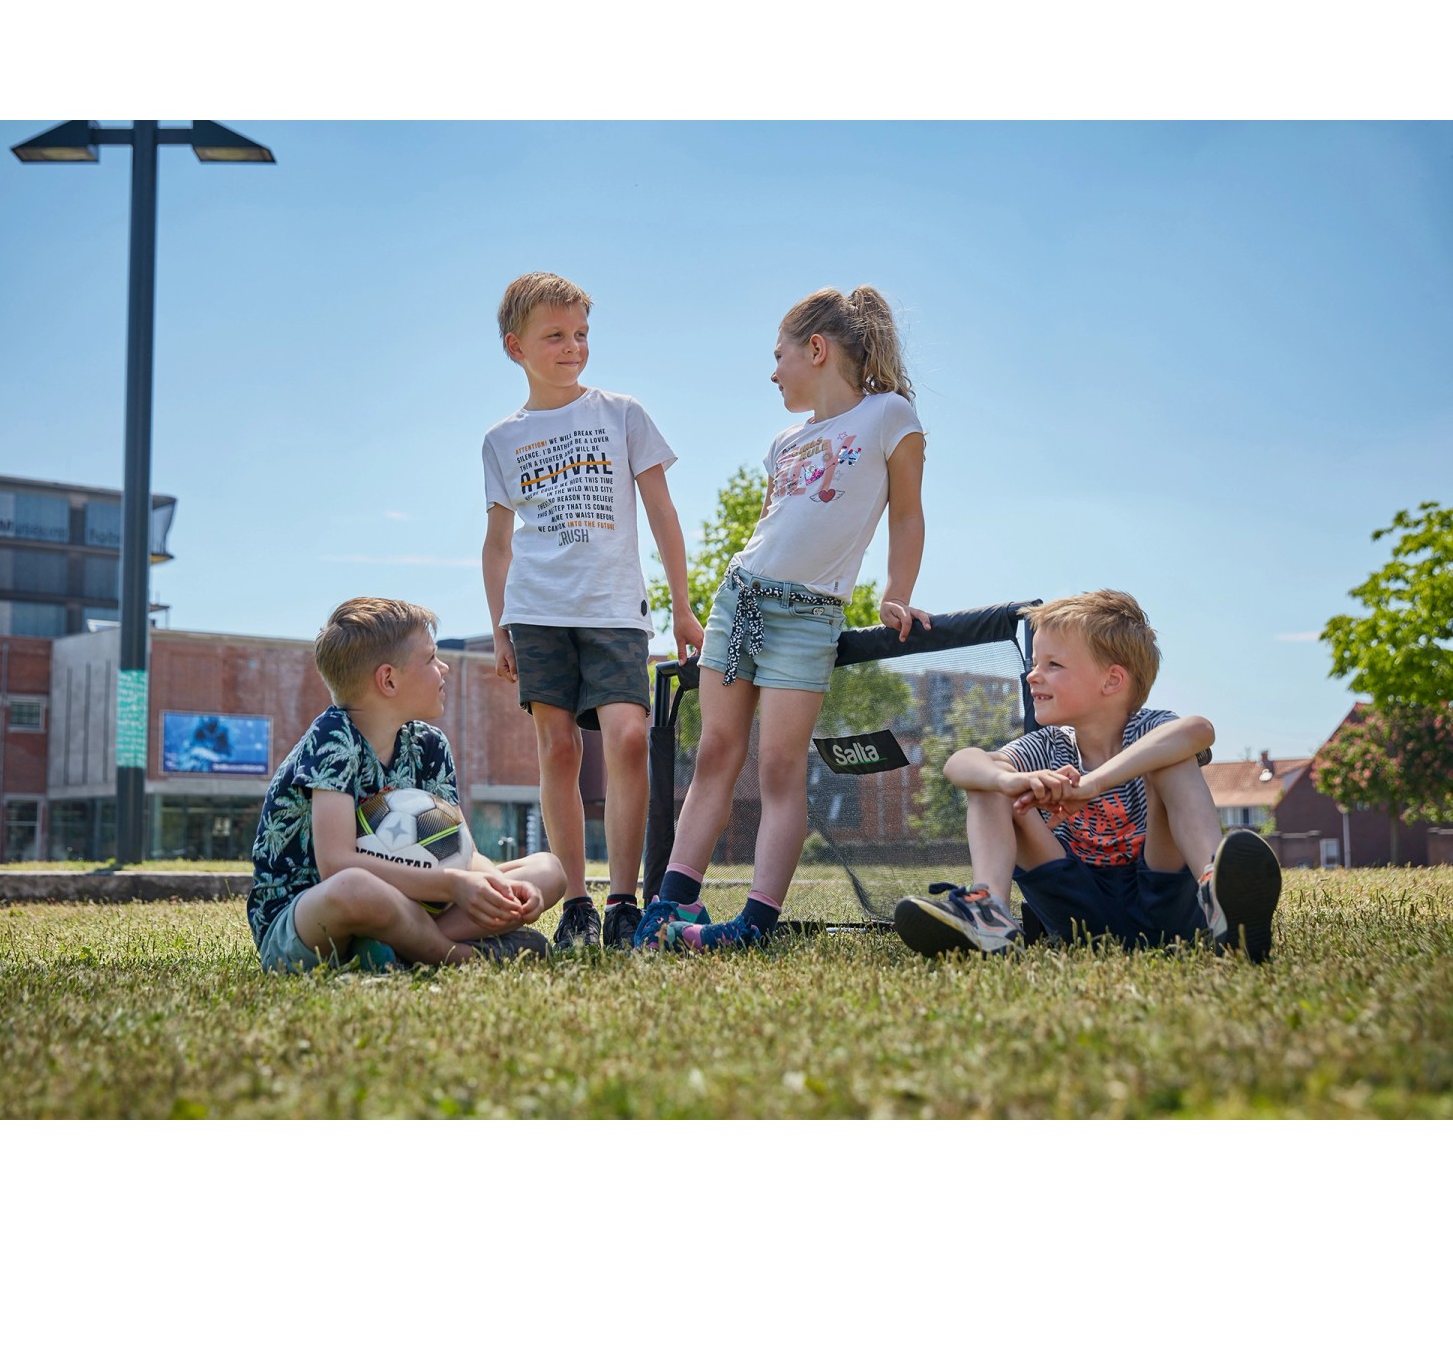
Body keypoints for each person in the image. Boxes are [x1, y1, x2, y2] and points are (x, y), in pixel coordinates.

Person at [636, 284, 928, 952]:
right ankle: (668, 907)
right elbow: (773, 526)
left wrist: (897, 590)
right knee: (714, 752)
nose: (773, 373)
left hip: (807, 616)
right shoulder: (782, 443)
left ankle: (753, 924)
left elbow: (907, 514)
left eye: (780, 356)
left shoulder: (890, 417)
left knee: (776, 767)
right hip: (739, 599)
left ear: (816, 350)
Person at [481, 272, 704, 951]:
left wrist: (685, 608)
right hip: (537, 611)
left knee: (629, 738)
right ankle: (576, 901)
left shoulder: (623, 413)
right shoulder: (501, 440)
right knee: (558, 748)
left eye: (580, 334)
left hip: (615, 611)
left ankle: (623, 899)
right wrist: (498, 627)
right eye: (555, 336)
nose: (572, 347)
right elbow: (496, 546)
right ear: (517, 347)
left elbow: (663, 514)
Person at [893, 590, 1283, 962]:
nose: (1032, 676)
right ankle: (989, 915)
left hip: (1164, 903)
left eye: (1053, 665)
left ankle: (1217, 894)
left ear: (1112, 681)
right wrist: (1010, 782)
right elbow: (959, 762)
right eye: (1033, 665)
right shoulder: (1047, 746)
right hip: (1078, 913)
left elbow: (1198, 730)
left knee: (1175, 758)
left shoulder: (1151, 729)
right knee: (988, 779)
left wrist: (1093, 783)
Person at [247, 597, 565, 973]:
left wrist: (496, 889)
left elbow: (463, 853)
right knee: (354, 886)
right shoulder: (332, 739)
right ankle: (448, 954)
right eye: (431, 658)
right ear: (389, 679)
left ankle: (393, 952)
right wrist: (452, 886)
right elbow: (335, 865)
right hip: (310, 921)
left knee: (548, 869)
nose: (443, 667)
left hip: (415, 905)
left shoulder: (429, 745)